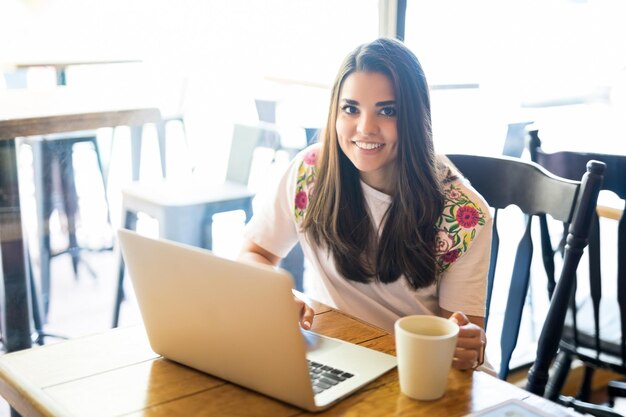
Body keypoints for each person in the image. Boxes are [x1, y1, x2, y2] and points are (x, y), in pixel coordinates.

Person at [239, 37, 492, 371]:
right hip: (335, 357)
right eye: (351, 109)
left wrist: (466, 345)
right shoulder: (309, 172)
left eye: (388, 111)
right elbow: (253, 254)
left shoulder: (465, 215)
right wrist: (279, 295)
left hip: (418, 371)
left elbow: (461, 349)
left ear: (416, 117)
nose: (365, 128)